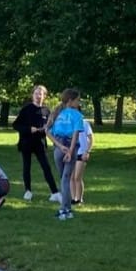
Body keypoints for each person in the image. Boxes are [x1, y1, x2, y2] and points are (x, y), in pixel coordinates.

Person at [11, 84, 61, 202]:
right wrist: (29, 129)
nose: (38, 96)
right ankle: (28, 191)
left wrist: (46, 128)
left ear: (44, 96)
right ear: (32, 95)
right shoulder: (26, 109)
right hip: (26, 142)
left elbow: (50, 126)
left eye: (41, 94)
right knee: (26, 167)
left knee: (46, 167)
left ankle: (54, 192)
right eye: (36, 93)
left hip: (40, 143)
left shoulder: (46, 110)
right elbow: (16, 125)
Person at [46, 88, 86, 220]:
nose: (78, 103)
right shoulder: (77, 115)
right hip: (69, 146)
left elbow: (47, 131)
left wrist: (59, 146)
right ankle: (65, 210)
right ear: (70, 100)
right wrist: (70, 150)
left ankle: (66, 208)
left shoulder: (57, 113)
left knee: (64, 178)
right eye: (77, 100)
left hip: (58, 146)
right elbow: (75, 134)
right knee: (65, 179)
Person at [72, 113, 93, 205]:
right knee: (71, 177)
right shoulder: (69, 125)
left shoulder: (84, 123)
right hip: (72, 153)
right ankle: (73, 198)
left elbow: (91, 139)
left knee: (77, 177)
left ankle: (79, 199)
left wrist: (87, 151)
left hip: (82, 153)